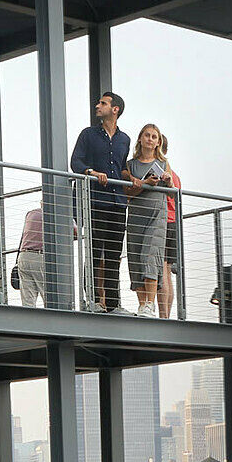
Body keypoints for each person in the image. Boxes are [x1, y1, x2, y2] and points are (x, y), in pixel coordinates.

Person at [69, 91, 131, 313]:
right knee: (95, 252)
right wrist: (92, 172)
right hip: (96, 200)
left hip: (118, 203)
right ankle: (93, 301)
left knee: (114, 255)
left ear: (115, 109)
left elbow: (122, 167)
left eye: (103, 103)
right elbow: (75, 162)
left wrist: (133, 178)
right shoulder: (88, 134)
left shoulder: (125, 139)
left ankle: (113, 304)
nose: (97, 105)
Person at [122, 124, 174, 317]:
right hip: (136, 216)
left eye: (154, 137)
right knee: (136, 258)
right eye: (147, 135)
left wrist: (168, 181)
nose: (150, 139)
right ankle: (142, 304)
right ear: (140, 138)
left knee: (151, 257)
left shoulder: (163, 163)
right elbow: (128, 193)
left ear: (158, 142)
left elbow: (172, 194)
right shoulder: (130, 165)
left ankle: (150, 304)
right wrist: (145, 183)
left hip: (156, 216)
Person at [158, 133, 182, 316]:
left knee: (161, 271)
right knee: (167, 271)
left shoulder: (160, 173)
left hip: (163, 222)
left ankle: (163, 314)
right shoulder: (175, 176)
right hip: (174, 223)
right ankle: (167, 314)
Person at [15, 208, 46, 308]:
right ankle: (53, 316)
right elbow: (75, 232)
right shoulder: (58, 214)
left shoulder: (31, 213)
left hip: (23, 256)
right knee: (48, 295)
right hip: (40, 256)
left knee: (28, 299)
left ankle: (28, 316)